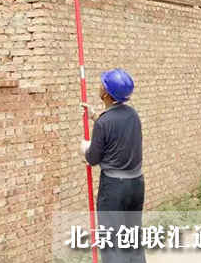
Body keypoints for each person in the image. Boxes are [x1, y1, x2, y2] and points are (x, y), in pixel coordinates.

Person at [80, 69, 145, 263]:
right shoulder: (133, 115)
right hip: (136, 184)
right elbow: (116, 130)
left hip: (114, 189)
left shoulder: (104, 123)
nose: (99, 86)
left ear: (107, 94)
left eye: (102, 85)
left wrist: (85, 149)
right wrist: (95, 116)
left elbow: (93, 158)